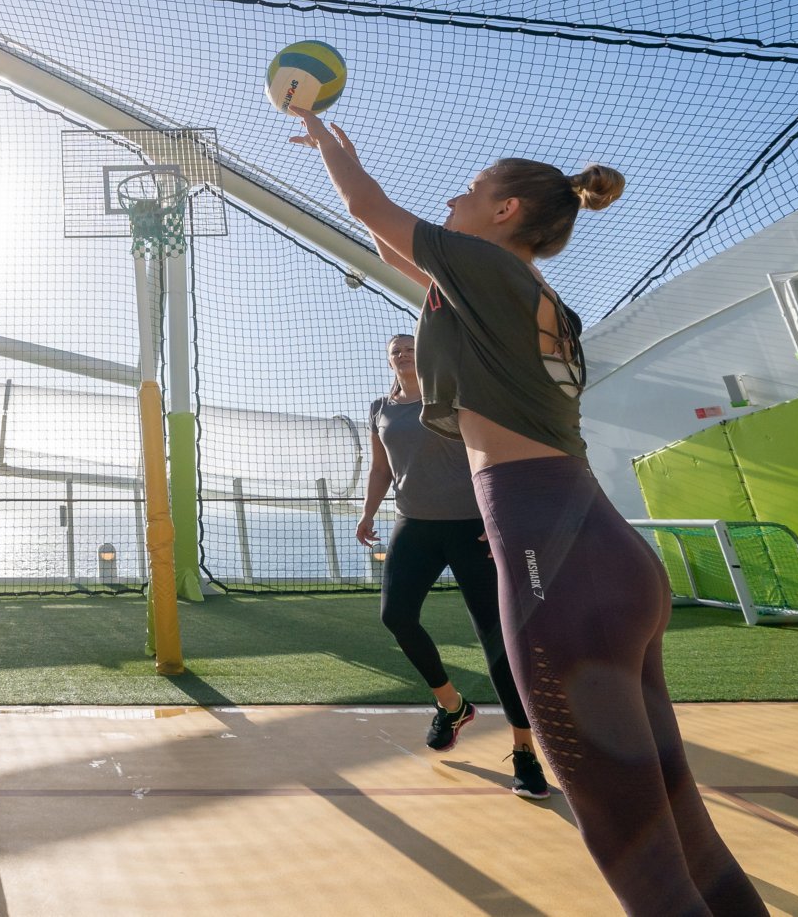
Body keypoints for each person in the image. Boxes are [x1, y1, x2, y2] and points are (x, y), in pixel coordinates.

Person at [292, 108, 763, 916]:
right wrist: (359, 192)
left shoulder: (487, 269)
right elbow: (387, 244)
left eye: (472, 189)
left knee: (633, 851)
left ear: (506, 212)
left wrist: (338, 154)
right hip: (612, 557)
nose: (455, 196)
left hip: (560, 573)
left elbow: (374, 212)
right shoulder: (519, 293)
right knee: (680, 822)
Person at [361, 333, 547, 798]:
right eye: (394, 350)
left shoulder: (454, 398)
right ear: (389, 361)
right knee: (396, 617)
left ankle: (525, 749)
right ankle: (451, 705)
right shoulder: (379, 409)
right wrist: (367, 512)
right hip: (414, 526)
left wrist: (496, 511)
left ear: (422, 355)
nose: (402, 353)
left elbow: (492, 453)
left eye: (409, 347)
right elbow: (380, 467)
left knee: (495, 636)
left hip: (471, 527)